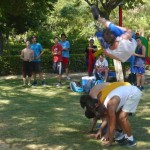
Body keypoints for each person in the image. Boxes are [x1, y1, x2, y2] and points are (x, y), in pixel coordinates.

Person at [80, 82, 142, 147]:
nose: (105, 115)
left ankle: (131, 141)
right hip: (124, 92)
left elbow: (112, 125)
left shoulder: (110, 105)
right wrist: (100, 131)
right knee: (118, 117)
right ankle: (125, 137)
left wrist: (109, 142)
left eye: (104, 114)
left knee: (122, 117)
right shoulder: (101, 101)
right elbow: (110, 122)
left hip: (134, 93)